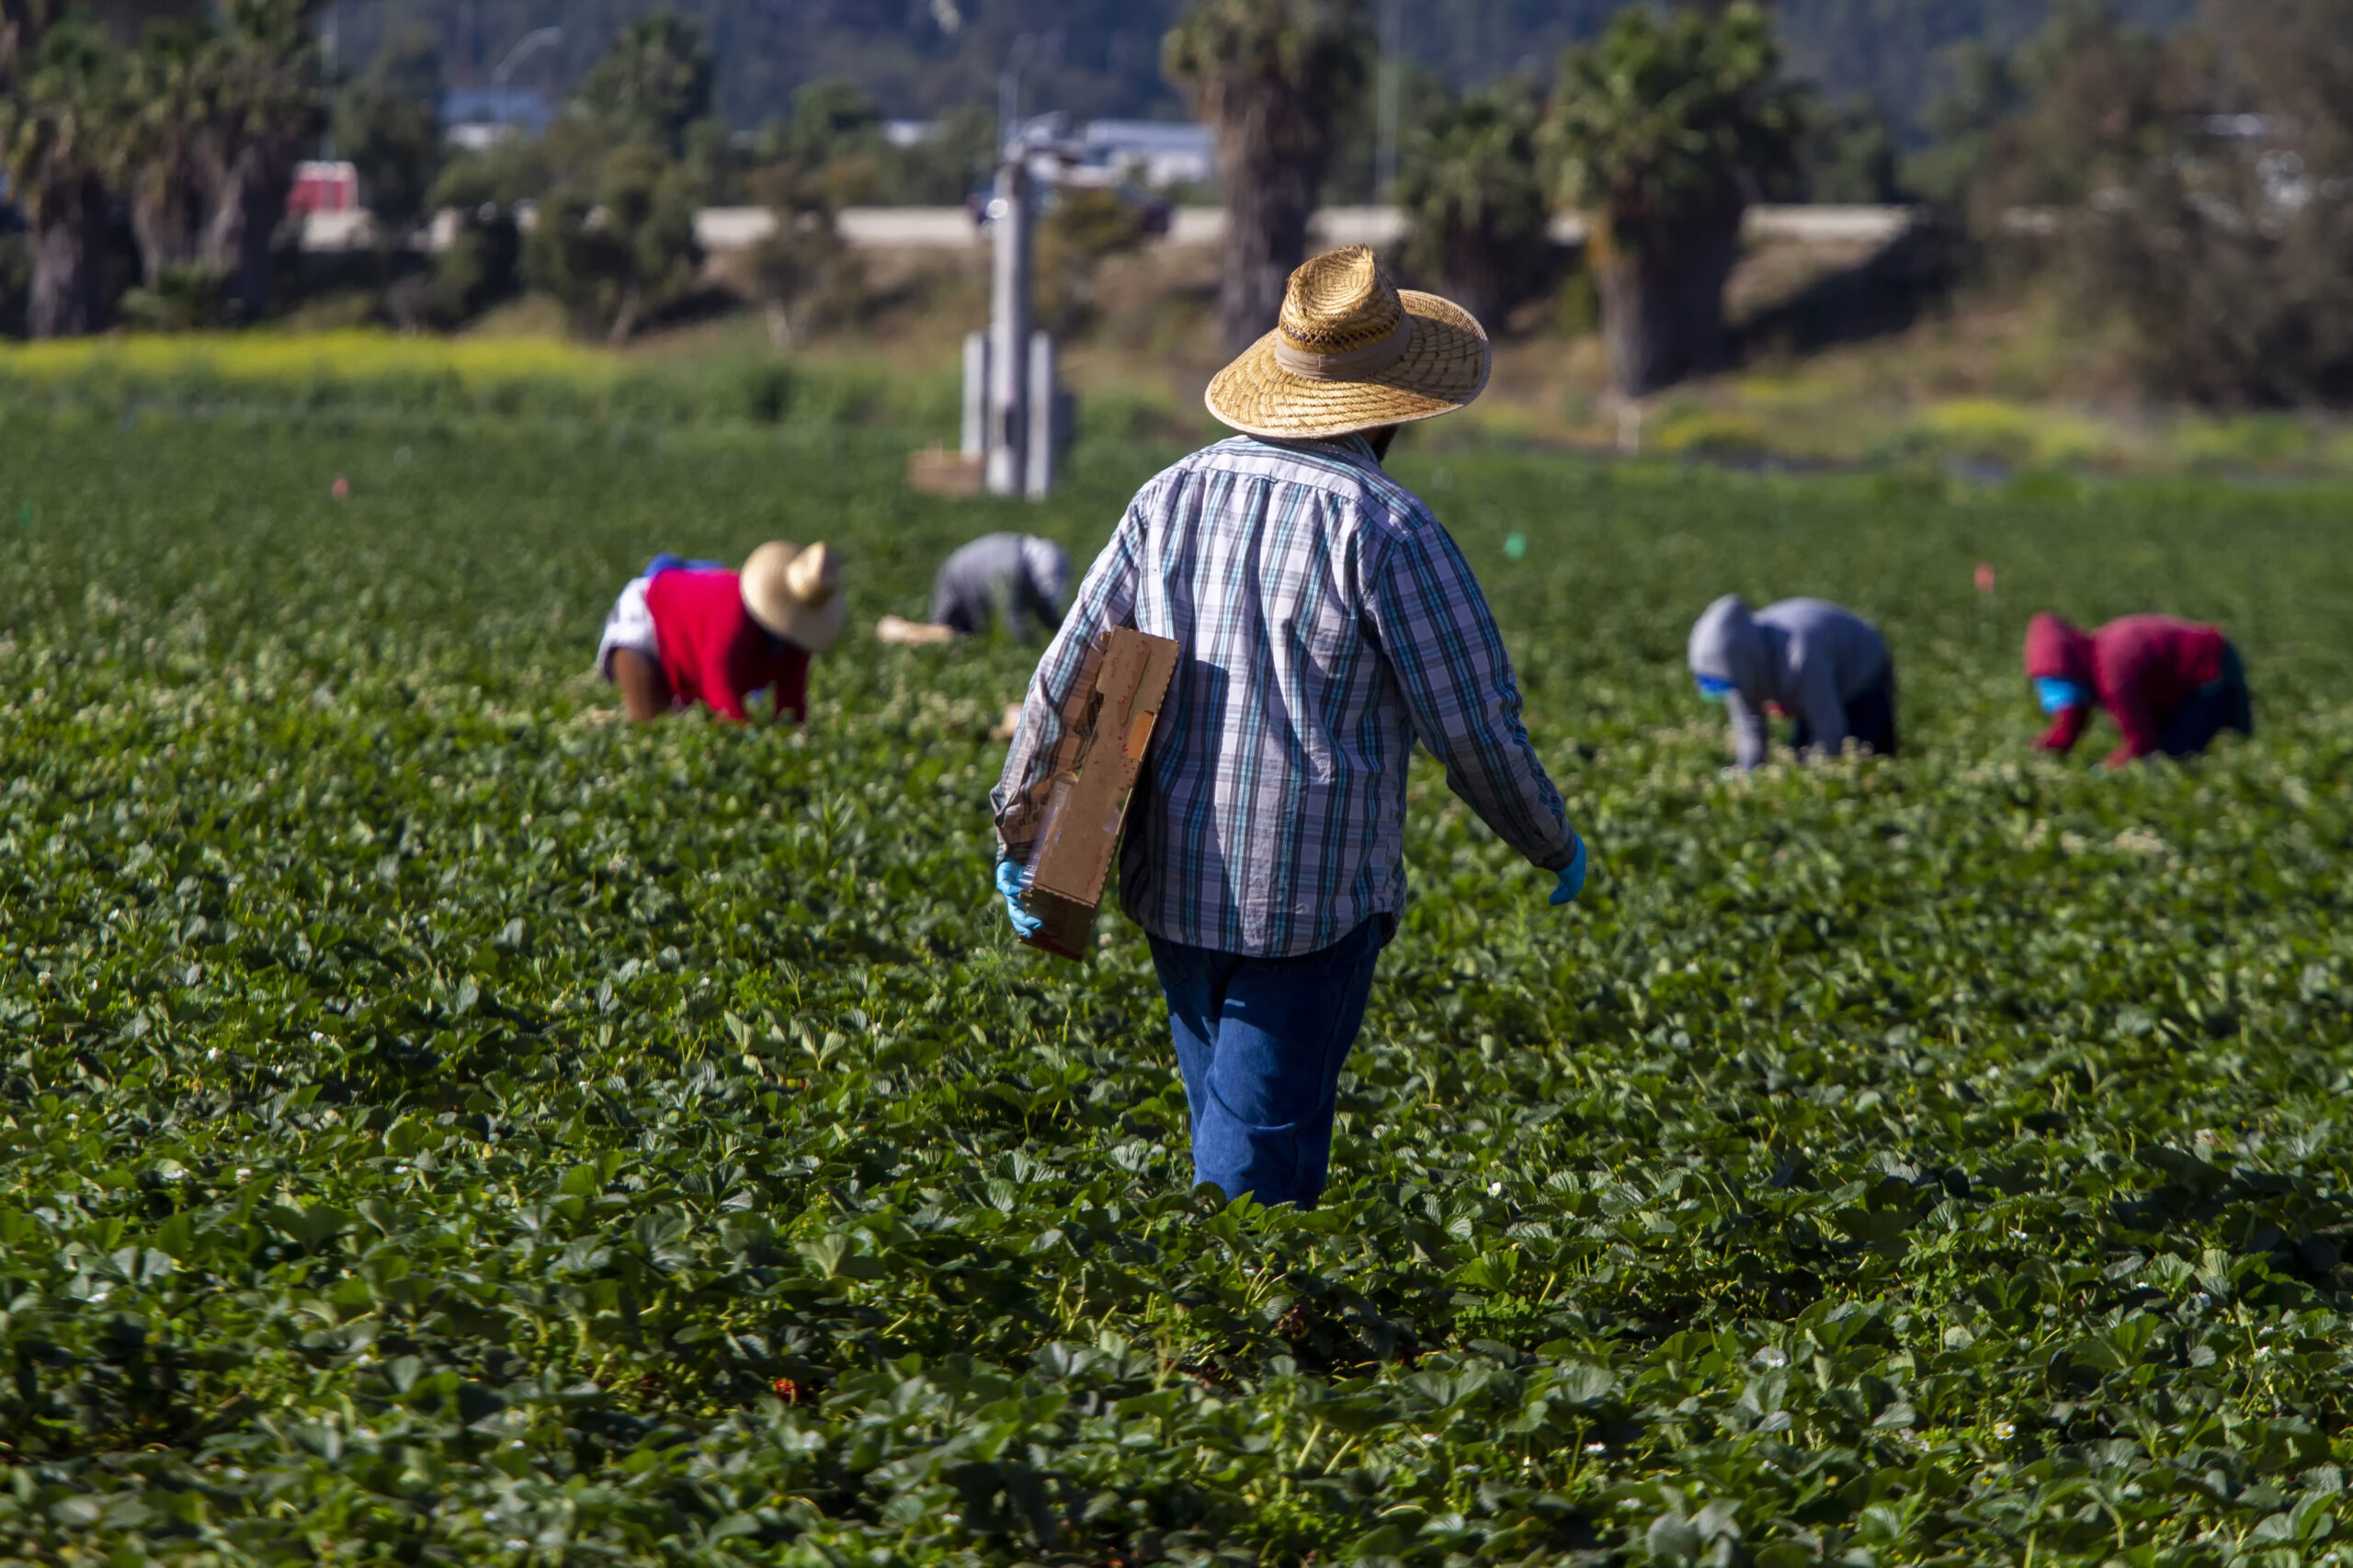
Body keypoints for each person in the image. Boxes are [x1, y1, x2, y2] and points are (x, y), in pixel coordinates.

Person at [990, 246, 1588, 1211]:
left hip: (1172, 883)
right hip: (1308, 909)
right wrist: (1547, 838)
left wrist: (1022, 832)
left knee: (1232, 1131)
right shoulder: (1387, 529)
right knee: (1251, 1175)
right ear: (1394, 404)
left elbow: (1065, 679)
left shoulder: (1168, 496)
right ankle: (1229, 1346)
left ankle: (1256, 1332)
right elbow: (1473, 726)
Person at [596, 542, 846, 723]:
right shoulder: (735, 610)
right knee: (650, 725)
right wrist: (746, 734)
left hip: (687, 649)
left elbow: (791, 704)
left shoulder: (795, 642)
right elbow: (720, 686)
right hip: (648, 618)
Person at [1687, 595, 1897, 770]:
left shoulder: (1800, 656)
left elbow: (1828, 725)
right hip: (1814, 684)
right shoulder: (1738, 673)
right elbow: (1750, 728)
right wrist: (1747, 774)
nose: (1728, 692)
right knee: (1802, 754)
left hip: (1862, 673)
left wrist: (1815, 777)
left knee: (1864, 759)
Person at [2025, 611, 2252, 767]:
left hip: (2211, 668)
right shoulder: (2095, 660)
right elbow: (2072, 723)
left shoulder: (2114, 673)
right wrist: (2043, 747)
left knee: (2173, 757)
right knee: (2170, 754)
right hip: (2191, 676)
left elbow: (2142, 741)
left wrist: (2106, 770)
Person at [877, 533, 1072, 646]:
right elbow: (1010, 617)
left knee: (963, 637)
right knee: (947, 634)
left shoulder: (1034, 565)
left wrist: (1063, 635)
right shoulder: (1010, 569)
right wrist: (1031, 645)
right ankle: (896, 632)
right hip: (957, 579)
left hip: (977, 581)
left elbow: (1045, 609)